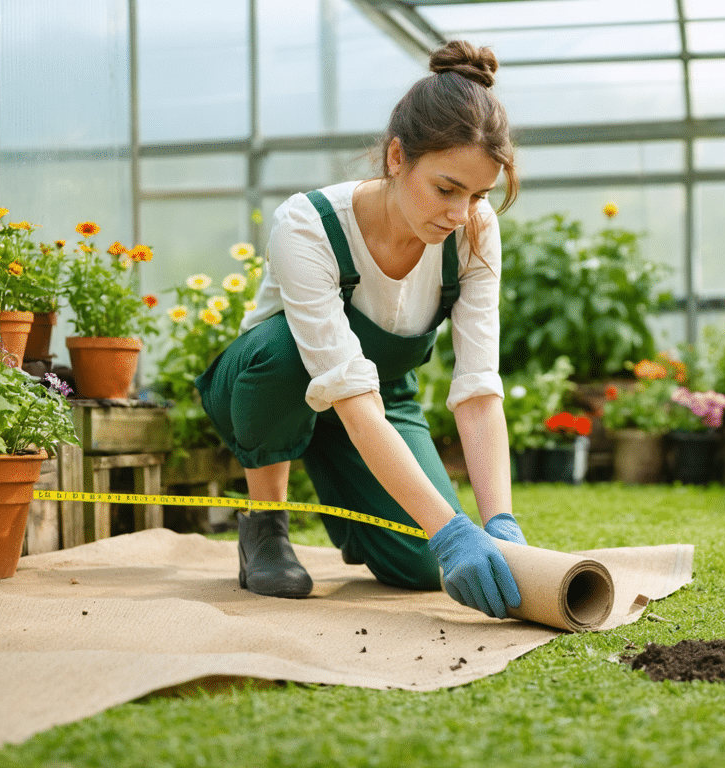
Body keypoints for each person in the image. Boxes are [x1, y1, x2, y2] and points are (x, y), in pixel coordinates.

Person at [195, 40, 525, 619]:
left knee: (426, 566)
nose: (459, 213)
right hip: (269, 385)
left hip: (378, 396)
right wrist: (450, 528)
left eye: (477, 195)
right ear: (397, 156)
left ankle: (342, 473)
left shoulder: (473, 233)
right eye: (447, 188)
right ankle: (266, 527)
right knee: (286, 351)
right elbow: (346, 390)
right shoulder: (309, 225)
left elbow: (477, 390)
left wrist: (498, 524)